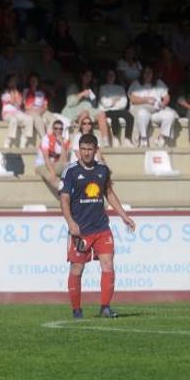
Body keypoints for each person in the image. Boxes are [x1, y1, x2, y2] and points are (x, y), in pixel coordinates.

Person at [60, 133, 135, 319]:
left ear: (95, 150)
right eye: (83, 149)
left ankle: (105, 308)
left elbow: (109, 193)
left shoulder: (103, 170)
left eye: (89, 149)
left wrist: (124, 215)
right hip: (81, 229)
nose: (86, 153)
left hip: (101, 227)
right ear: (79, 150)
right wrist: (71, 223)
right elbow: (64, 199)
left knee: (108, 264)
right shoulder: (70, 171)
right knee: (77, 269)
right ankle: (77, 310)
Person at [34, 119, 70, 197]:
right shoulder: (46, 138)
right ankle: (64, 189)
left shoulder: (65, 141)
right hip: (42, 165)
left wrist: (62, 145)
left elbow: (63, 162)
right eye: (56, 128)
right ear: (53, 129)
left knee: (68, 165)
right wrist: (52, 172)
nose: (58, 130)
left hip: (55, 165)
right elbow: (46, 157)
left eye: (60, 129)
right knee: (49, 174)